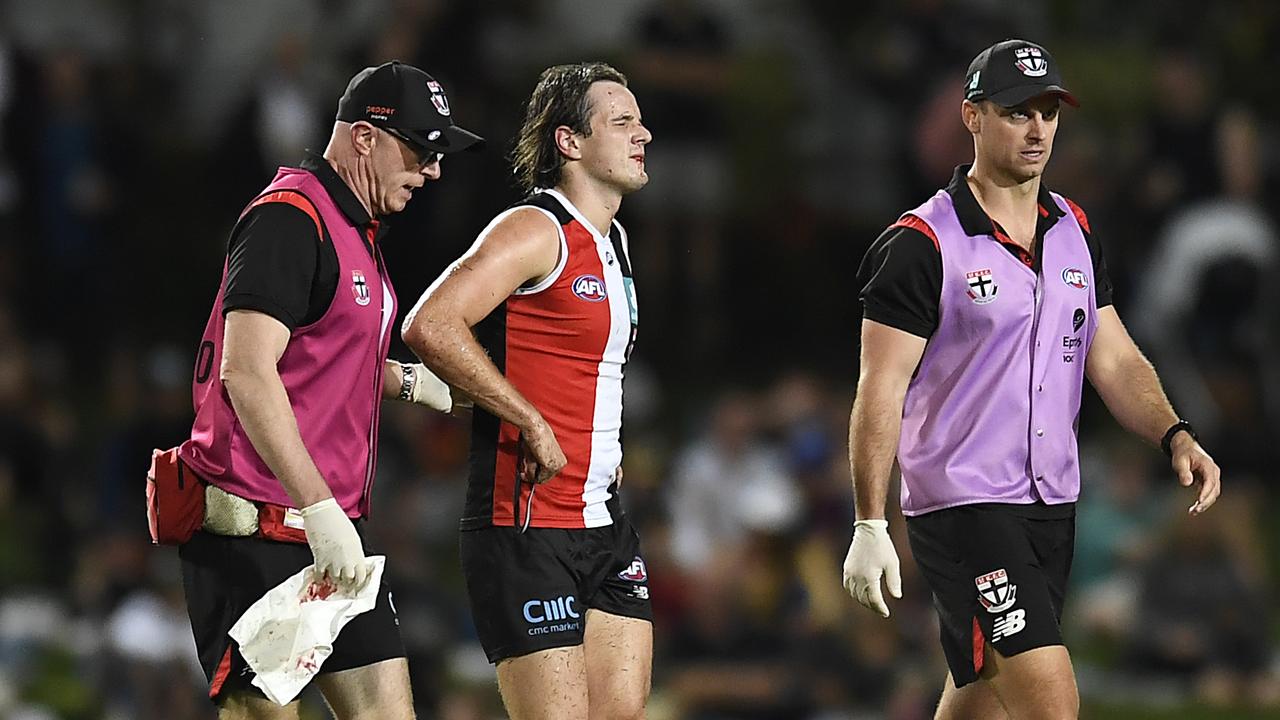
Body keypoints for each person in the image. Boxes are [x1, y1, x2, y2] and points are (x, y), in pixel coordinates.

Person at [840, 40, 1222, 720]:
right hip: (965, 505)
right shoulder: (922, 244)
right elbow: (881, 389)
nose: (1038, 127)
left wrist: (1174, 434)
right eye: (1018, 111)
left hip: (1051, 499)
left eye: (1049, 111)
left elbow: (1113, 356)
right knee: (1050, 702)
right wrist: (870, 521)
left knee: (981, 695)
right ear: (972, 117)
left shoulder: (1074, 226)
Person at [174, 61, 481, 719]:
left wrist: (408, 381)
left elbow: (315, 360)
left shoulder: (354, 227)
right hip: (257, 531)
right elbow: (247, 370)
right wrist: (317, 510)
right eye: (421, 148)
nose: (433, 171)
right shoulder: (291, 218)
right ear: (364, 138)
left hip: (330, 530)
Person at [401, 61, 652, 720]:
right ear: (569, 142)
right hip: (527, 527)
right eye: (622, 122)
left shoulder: (616, 241)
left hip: (604, 521)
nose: (643, 134)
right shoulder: (536, 229)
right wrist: (529, 420)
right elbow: (430, 324)